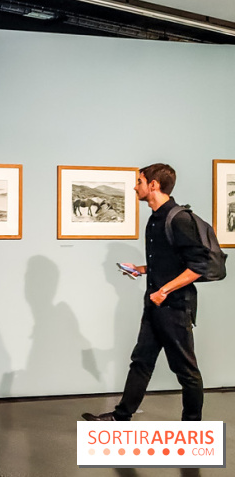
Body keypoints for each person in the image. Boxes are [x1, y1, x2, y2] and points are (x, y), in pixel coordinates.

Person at [83, 163, 207, 422]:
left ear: (153, 185)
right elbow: (171, 262)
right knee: (141, 361)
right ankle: (120, 417)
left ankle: (192, 427)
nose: (135, 187)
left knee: (186, 372)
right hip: (154, 304)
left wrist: (164, 290)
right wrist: (141, 269)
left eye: (139, 181)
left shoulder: (180, 219)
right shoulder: (155, 219)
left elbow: (198, 267)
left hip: (175, 306)